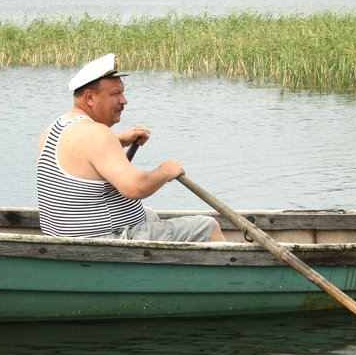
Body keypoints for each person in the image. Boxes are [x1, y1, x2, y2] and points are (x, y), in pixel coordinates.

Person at [36, 53, 225, 242]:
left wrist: (120, 140)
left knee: (148, 215)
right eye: (115, 94)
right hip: (102, 242)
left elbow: (83, 160)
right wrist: (165, 172)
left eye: (122, 92)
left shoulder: (58, 126)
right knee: (208, 227)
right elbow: (135, 188)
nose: (124, 101)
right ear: (90, 97)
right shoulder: (97, 134)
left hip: (65, 235)